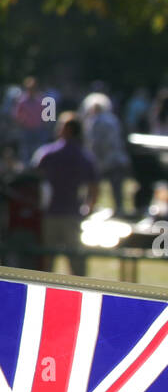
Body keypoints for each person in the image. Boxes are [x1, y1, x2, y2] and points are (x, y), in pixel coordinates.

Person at [32, 112, 98, 276]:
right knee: (77, 266)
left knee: (46, 264)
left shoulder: (48, 153)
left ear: (67, 130)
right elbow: (94, 187)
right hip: (73, 214)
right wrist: (88, 208)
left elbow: (32, 177)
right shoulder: (84, 156)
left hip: (51, 212)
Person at [81, 93, 129, 214]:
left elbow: (96, 143)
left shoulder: (95, 121)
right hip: (116, 159)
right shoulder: (113, 119)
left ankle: (88, 208)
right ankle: (119, 210)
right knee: (116, 189)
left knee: (92, 186)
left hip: (104, 160)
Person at [13, 78, 49, 165]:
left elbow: (46, 115)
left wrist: (44, 124)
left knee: (39, 150)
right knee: (26, 152)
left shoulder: (40, 100)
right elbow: (16, 115)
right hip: (26, 130)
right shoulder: (22, 101)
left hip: (39, 129)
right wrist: (21, 122)